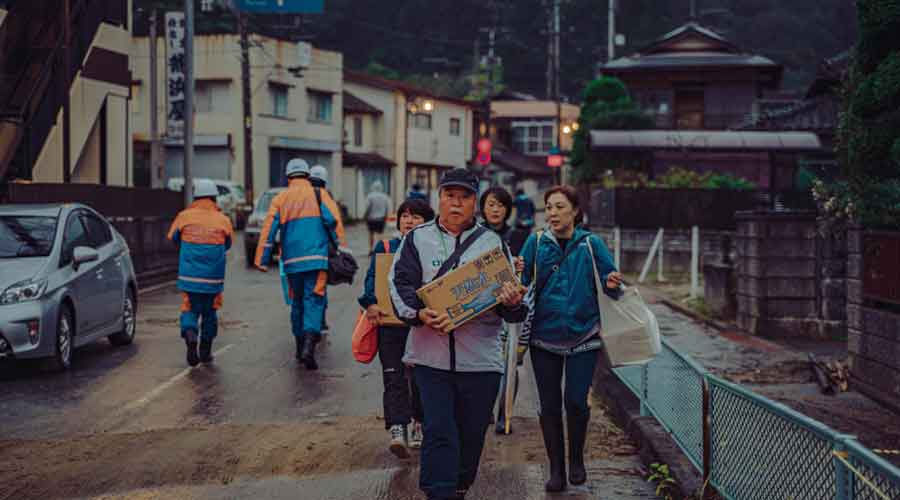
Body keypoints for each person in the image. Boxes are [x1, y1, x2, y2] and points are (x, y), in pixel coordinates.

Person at [389, 168, 527, 500]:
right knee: (438, 431)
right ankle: (440, 492)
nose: (456, 203)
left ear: (474, 203)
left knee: (471, 434)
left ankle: (459, 487)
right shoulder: (416, 239)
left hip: (481, 362)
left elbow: (512, 309)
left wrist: (512, 301)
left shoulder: (493, 245)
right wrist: (419, 313)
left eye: (464, 197)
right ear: (440, 198)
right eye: (450, 195)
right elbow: (399, 286)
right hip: (430, 360)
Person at [519, 185, 624, 492]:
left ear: (575, 211)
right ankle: (556, 469)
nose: (552, 213)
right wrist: (515, 274)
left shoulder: (591, 244)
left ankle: (576, 458)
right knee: (549, 405)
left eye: (559, 207)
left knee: (576, 401)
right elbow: (520, 285)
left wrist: (613, 282)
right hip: (543, 336)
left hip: (584, 333)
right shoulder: (536, 242)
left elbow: (611, 286)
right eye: (549, 207)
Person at [358, 198, 435, 459]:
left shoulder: (434, 251)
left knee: (422, 379)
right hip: (389, 326)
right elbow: (371, 280)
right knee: (394, 377)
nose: (409, 221)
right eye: (405, 216)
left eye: (416, 217)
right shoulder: (386, 246)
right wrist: (369, 303)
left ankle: (420, 423)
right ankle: (398, 429)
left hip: (422, 327)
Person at [255, 158, 346, 369]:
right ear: (307, 175)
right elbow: (333, 222)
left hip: (291, 263)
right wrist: (341, 247)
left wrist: (262, 258)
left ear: (288, 177)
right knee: (314, 300)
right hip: (317, 260)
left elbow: (269, 229)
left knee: (296, 303)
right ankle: (309, 346)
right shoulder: (319, 195)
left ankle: (299, 347)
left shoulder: (281, 198)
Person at [167, 179, 234, 367]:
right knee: (210, 312)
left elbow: (173, 238)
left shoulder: (183, 216)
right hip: (213, 278)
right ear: (214, 198)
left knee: (189, 308)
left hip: (189, 277)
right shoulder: (223, 219)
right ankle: (205, 352)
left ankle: (190, 334)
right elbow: (228, 244)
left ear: (195, 197)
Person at [479, 186, 528, 435]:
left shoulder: (519, 235)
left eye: (500, 205)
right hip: (484, 308)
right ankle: (485, 407)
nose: (495, 209)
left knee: (511, 360)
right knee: (486, 361)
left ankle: (504, 413)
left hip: (512, 308)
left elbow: (529, 272)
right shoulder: (474, 235)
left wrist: (522, 265)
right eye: (490, 204)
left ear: (508, 209)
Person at [309, 165, 337, 332]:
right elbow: (333, 222)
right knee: (320, 287)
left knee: (303, 291)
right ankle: (319, 321)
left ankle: (306, 327)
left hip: (300, 251)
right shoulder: (326, 197)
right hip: (321, 250)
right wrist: (338, 245)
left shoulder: (301, 196)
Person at [364, 181, 392, 251]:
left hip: (371, 218)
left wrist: (365, 216)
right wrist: (386, 217)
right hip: (381, 219)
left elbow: (367, 207)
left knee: (371, 234)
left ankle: (370, 249)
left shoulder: (370, 196)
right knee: (380, 235)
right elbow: (388, 208)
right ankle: (380, 249)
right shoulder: (385, 196)